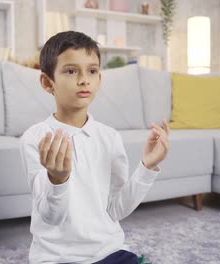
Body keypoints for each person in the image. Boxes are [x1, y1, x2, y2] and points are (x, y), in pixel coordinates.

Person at [19, 31, 170, 264]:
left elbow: (116, 210)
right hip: (57, 258)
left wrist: (147, 167)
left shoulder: (110, 137)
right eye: (71, 71)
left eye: (92, 71)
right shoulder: (36, 138)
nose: (84, 80)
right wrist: (57, 180)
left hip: (108, 252)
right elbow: (51, 216)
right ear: (48, 83)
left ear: (100, 78)